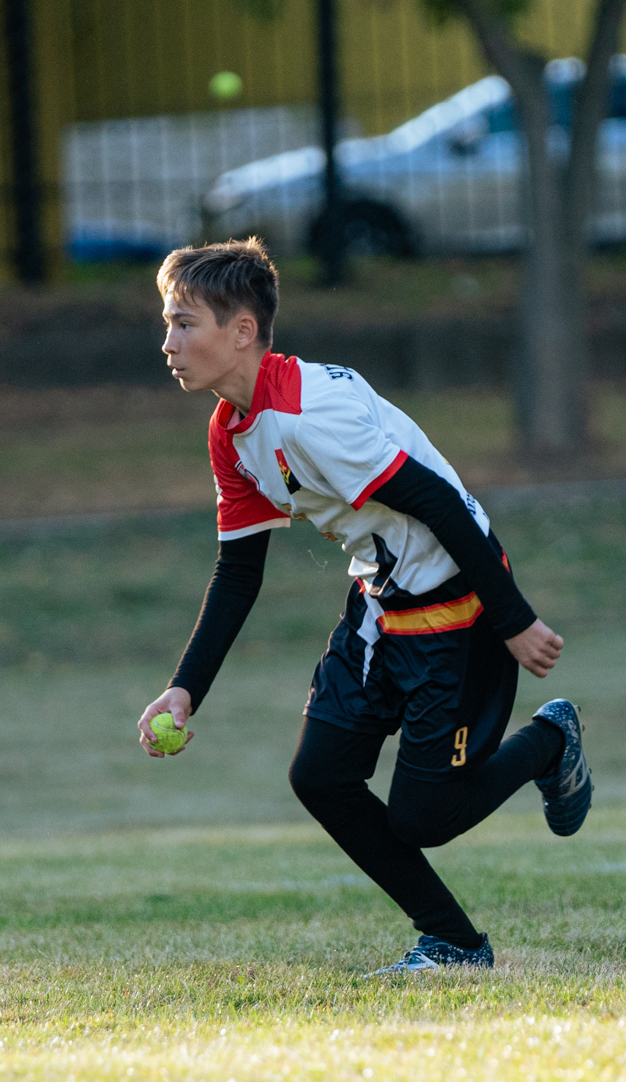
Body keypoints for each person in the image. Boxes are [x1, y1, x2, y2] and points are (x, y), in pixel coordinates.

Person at [136, 239, 593, 974]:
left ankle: (549, 742)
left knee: (424, 817)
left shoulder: (310, 416)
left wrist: (513, 621)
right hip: (382, 605)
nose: (169, 343)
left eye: (184, 324)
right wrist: (186, 687)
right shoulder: (232, 430)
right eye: (167, 322)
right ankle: (454, 942)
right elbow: (238, 571)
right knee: (319, 776)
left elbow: (441, 503)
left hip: (458, 608)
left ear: (243, 332)